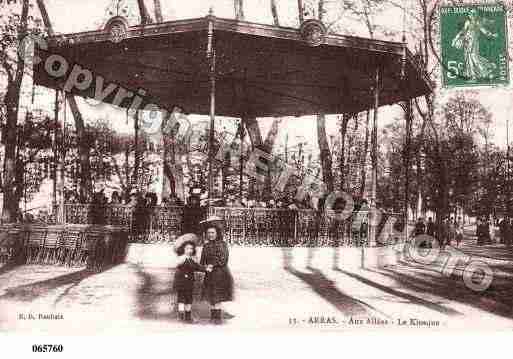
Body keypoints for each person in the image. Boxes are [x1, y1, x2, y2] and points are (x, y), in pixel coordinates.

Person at [200, 216, 234, 324]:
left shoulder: (222, 245)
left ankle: (217, 318)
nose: (210, 235)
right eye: (209, 233)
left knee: (217, 296)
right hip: (209, 274)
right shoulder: (206, 246)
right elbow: (202, 260)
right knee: (211, 296)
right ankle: (213, 317)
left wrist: (212, 265)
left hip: (220, 273)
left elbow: (224, 259)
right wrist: (204, 267)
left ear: (217, 233)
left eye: (212, 233)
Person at [172, 234, 208, 323]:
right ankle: (181, 317)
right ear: (183, 249)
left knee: (189, 299)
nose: (190, 250)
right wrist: (183, 258)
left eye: (191, 249)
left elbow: (197, 267)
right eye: (187, 248)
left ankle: (188, 317)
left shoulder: (191, 259)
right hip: (181, 282)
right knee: (181, 299)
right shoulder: (182, 258)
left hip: (190, 282)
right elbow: (176, 264)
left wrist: (206, 269)